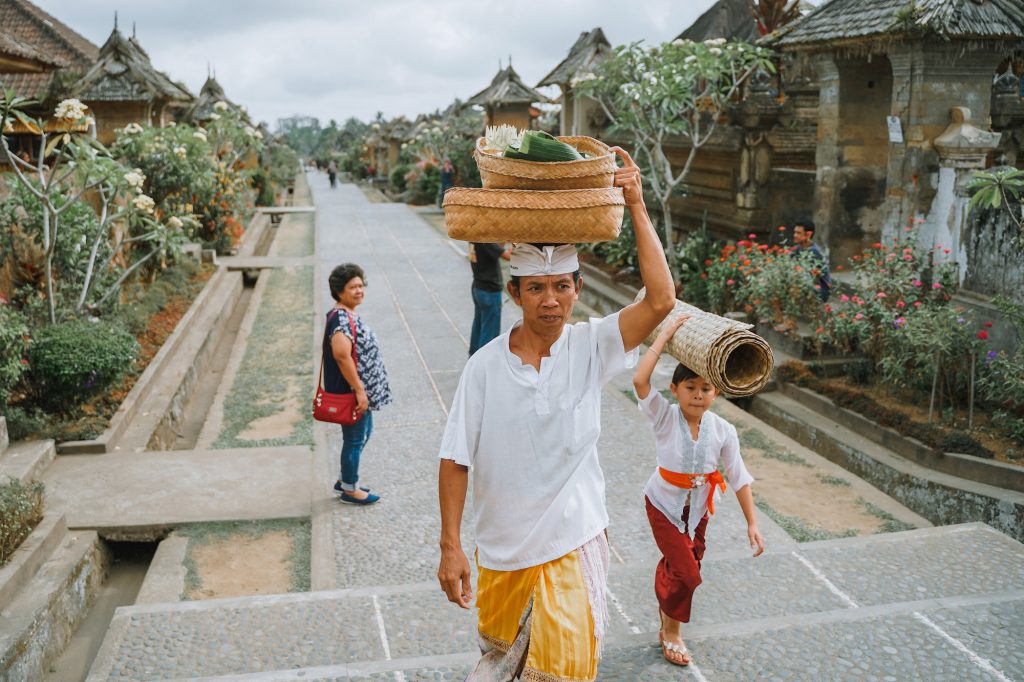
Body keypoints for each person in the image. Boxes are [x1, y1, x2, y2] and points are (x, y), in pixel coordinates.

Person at [437, 148, 676, 682]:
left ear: (577, 290)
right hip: (503, 553)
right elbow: (455, 459)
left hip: (574, 538)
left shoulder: (592, 346)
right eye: (538, 288)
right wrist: (450, 547)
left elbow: (660, 301)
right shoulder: (483, 369)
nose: (551, 301)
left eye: (562, 286)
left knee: (565, 667)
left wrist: (635, 203)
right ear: (515, 292)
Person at [632, 314, 765, 667]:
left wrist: (752, 523)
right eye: (690, 387)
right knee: (688, 574)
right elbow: (640, 379)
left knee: (685, 564)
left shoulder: (723, 430)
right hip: (662, 503)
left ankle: (667, 611)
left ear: (716, 393)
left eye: (706, 389)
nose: (698, 395)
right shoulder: (664, 417)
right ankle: (672, 632)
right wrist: (665, 336)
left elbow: (738, 476)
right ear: (674, 390)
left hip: (700, 508)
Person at [325, 263, 392, 505]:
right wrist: (359, 391)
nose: (359, 290)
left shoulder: (347, 314)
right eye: (352, 287)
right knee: (354, 439)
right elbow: (341, 356)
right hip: (353, 392)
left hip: (361, 391)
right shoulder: (341, 320)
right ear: (339, 291)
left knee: (364, 433)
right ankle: (350, 489)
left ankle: (345, 479)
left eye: (361, 285)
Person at [467, 242, 511, 355]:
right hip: (489, 291)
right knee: (490, 333)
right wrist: (516, 244)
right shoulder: (485, 240)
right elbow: (508, 256)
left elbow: (497, 248)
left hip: (478, 286)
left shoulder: (473, 235)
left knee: (478, 327)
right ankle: (483, 366)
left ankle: (473, 360)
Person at [792, 222, 831, 302]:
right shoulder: (797, 249)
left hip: (819, 290)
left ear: (808, 234)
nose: (795, 235)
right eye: (795, 232)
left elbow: (814, 279)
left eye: (798, 233)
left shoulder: (814, 252)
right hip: (805, 284)